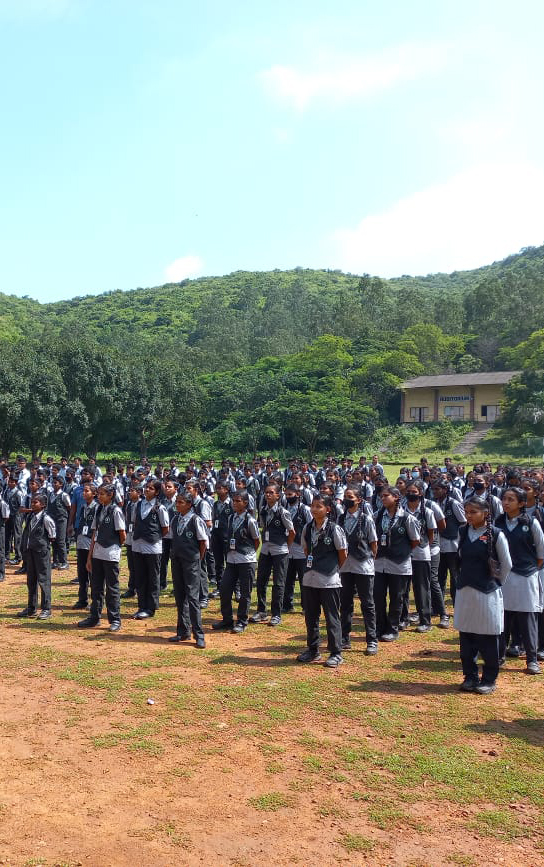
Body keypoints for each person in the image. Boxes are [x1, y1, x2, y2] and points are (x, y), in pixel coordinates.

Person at [455, 496, 511, 694]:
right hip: (465, 592)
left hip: (486, 593)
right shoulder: (462, 532)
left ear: (485, 514)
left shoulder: (496, 535)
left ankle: (489, 678)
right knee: (467, 637)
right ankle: (470, 676)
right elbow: (459, 559)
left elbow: (506, 565)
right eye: (467, 512)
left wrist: (494, 584)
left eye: (473, 512)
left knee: (488, 638)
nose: (468, 516)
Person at [496, 487, 544, 675]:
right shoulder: (498, 523)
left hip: (526, 576)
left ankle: (532, 659)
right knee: (503, 618)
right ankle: (499, 656)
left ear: (522, 503)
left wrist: (528, 568)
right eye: (504, 499)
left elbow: (540, 554)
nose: (506, 503)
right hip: (503, 577)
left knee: (527, 618)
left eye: (511, 499)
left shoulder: (531, 523)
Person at [297, 494, 348, 668]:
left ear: (328, 510)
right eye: (312, 506)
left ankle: (336, 652)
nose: (314, 509)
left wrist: (332, 568)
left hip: (329, 580)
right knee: (311, 617)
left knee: (331, 617)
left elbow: (343, 554)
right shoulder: (307, 528)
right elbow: (306, 550)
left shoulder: (334, 529)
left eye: (319, 506)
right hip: (310, 578)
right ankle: (313, 649)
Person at [373, 485, 420, 642]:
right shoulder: (377, 516)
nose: (383, 498)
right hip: (380, 563)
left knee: (396, 597)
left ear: (396, 497)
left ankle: (392, 628)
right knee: (378, 596)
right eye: (381, 496)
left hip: (399, 564)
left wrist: (400, 551)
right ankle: (380, 626)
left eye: (386, 496)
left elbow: (415, 541)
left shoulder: (407, 518)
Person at [78, 483, 126, 632]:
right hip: (97, 553)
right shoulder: (99, 509)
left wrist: (115, 548)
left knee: (112, 588)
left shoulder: (116, 511)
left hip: (110, 553)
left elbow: (122, 535)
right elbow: (94, 533)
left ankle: (115, 619)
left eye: (102, 494)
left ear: (110, 495)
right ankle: (94, 617)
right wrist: (89, 557)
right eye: (98, 494)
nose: (99, 496)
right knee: (96, 587)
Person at [212, 490, 260, 634]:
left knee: (245, 593)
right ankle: (227, 619)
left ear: (245, 503)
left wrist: (247, 552)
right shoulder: (231, 517)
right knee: (225, 589)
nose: (235, 503)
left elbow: (256, 541)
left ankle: (241, 621)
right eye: (234, 501)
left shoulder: (250, 520)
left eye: (238, 501)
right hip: (232, 560)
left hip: (246, 560)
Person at [339, 485, 378, 654]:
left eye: (350, 497)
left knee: (367, 604)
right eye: (345, 496)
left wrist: (369, 559)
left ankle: (371, 640)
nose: (347, 500)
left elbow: (373, 544)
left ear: (359, 500)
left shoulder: (366, 519)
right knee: (345, 603)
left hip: (363, 566)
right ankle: (344, 637)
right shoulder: (340, 519)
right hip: (345, 567)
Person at [250, 483, 294, 626]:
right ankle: (261, 611)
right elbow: (263, 527)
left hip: (280, 550)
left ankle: (276, 614)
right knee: (261, 580)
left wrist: (286, 546)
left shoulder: (283, 512)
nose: (268, 495)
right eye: (266, 492)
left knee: (278, 583)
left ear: (278, 496)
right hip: (266, 549)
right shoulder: (263, 510)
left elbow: (292, 532)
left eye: (271, 492)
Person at [168, 491, 207, 648]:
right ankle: (183, 631)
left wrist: (198, 558)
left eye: (181, 502)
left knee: (192, 597)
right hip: (177, 560)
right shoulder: (175, 519)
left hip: (191, 561)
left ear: (189, 505)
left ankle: (199, 634)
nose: (177, 505)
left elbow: (203, 542)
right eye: (177, 502)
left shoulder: (196, 520)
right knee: (180, 595)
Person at [132, 479, 169, 620]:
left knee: (153, 578)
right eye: (146, 487)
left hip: (153, 547)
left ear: (157, 492)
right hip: (138, 545)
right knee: (140, 577)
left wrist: (153, 537)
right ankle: (142, 606)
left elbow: (165, 529)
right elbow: (135, 522)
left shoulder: (160, 508)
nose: (147, 490)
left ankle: (151, 607)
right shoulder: (139, 504)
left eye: (151, 488)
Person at [402, 480, 437, 633]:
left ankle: (425, 620)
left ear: (421, 493)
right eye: (408, 491)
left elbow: (431, 533)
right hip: (403, 554)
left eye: (414, 492)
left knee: (421, 588)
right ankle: (403, 618)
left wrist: (423, 546)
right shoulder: (401, 510)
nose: (411, 494)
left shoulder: (427, 512)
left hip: (421, 554)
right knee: (403, 588)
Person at [17, 493, 56, 620]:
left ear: (43, 505)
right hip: (30, 553)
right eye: (32, 502)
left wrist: (41, 544)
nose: (33, 504)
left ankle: (46, 609)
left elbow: (52, 536)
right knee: (31, 580)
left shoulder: (46, 519)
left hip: (41, 553)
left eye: (36, 502)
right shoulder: (30, 517)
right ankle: (31, 608)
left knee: (44, 580)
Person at [284, 483, 312, 612]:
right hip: (287, 548)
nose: (288, 497)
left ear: (298, 494)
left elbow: (311, 527)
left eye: (290, 494)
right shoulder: (283, 508)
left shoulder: (305, 509)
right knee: (288, 578)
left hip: (301, 549)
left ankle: (306, 605)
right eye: (286, 494)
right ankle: (287, 604)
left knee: (303, 578)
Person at [73, 482, 98, 610]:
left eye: (87, 491)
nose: (84, 493)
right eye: (83, 491)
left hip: (91, 544)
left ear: (94, 494)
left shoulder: (97, 508)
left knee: (93, 574)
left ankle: (96, 600)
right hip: (81, 542)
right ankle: (82, 599)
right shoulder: (83, 506)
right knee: (82, 573)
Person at [47, 476, 71, 570]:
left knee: (61, 541)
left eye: (56, 483)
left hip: (61, 520)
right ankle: (55, 561)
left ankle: (64, 561)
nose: (54, 484)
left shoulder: (64, 495)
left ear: (61, 484)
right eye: (53, 482)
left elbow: (69, 507)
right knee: (53, 540)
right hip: (52, 520)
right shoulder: (50, 494)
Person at [159, 478, 178, 593]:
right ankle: (162, 583)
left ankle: (177, 585)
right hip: (164, 536)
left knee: (176, 561)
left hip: (176, 536)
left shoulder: (180, 501)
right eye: (166, 486)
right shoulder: (161, 501)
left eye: (169, 486)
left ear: (176, 489)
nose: (166, 488)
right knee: (162, 560)